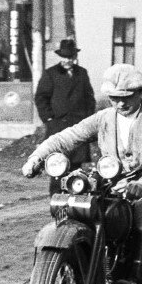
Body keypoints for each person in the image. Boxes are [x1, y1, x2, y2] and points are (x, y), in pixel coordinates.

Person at [22, 64, 142, 284]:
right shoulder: (104, 117)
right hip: (111, 186)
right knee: (78, 209)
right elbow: (67, 137)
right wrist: (37, 157)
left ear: (140, 92)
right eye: (114, 98)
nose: (120, 103)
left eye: (126, 97)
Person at [34, 39, 96, 194]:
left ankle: (74, 198)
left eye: (70, 57)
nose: (67, 60)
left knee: (76, 168)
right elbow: (41, 97)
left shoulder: (82, 73)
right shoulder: (51, 73)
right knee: (57, 165)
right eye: (64, 57)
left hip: (78, 127)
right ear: (60, 57)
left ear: (75, 57)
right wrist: (49, 119)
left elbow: (89, 98)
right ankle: (56, 199)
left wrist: (87, 119)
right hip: (58, 127)